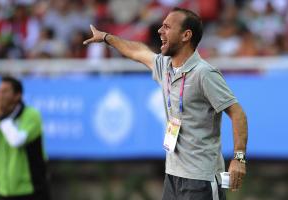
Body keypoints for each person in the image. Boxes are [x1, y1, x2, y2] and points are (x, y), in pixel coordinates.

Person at [83, 7, 248, 200]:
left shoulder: (204, 74)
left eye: (167, 27)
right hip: (173, 176)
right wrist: (106, 38)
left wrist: (239, 159)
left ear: (186, 35)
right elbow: (138, 51)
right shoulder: (165, 66)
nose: (160, 31)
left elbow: (237, 113)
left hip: (201, 180)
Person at [0, 76, 50, 200]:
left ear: (18, 96)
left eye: (5, 91)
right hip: (5, 191)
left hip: (32, 189)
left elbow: (16, 141)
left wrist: (2, 118)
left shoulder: (31, 115)